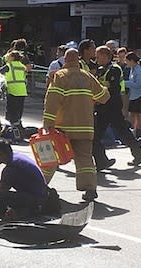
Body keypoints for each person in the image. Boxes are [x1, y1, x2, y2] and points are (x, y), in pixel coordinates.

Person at [43, 49, 110, 201]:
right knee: (85, 159)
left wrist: (47, 123)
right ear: (78, 60)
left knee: (51, 157)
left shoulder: (60, 76)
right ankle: (90, 189)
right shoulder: (87, 76)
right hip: (85, 127)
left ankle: (41, 184)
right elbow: (104, 97)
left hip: (63, 127)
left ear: (65, 60)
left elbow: (52, 101)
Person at [94, 46, 141, 168]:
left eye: (98, 56)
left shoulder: (115, 69)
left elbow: (113, 89)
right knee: (97, 135)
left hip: (112, 107)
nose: (96, 59)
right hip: (103, 107)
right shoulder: (101, 69)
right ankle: (102, 161)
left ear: (105, 56)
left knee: (122, 132)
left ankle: (139, 155)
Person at [0, 139, 49, 218]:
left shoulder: (11, 168)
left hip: (36, 200)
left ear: (1, 154)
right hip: (41, 195)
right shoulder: (17, 157)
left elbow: (0, 191)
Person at [2, 51, 31, 135]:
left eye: (9, 56)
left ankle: (11, 131)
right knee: (18, 111)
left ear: (13, 57)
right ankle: (18, 129)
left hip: (13, 91)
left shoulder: (9, 66)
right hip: (22, 91)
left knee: (11, 111)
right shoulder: (22, 66)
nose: (7, 57)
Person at [125, 52, 141, 133]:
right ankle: (134, 130)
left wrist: (124, 83)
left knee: (139, 113)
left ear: (132, 61)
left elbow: (138, 84)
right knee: (132, 113)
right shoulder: (133, 69)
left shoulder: (140, 70)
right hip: (134, 95)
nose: (126, 62)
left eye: (127, 61)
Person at [117, 47, 130, 120]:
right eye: (120, 56)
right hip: (116, 90)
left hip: (126, 90)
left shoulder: (128, 67)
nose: (121, 58)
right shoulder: (115, 66)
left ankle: (125, 123)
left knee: (125, 109)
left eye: (123, 56)